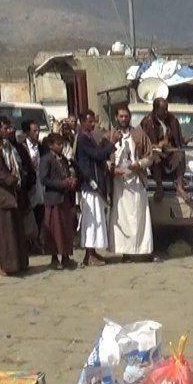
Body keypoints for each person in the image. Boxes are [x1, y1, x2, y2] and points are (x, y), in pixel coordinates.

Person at [107, 105, 154, 260]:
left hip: (136, 180)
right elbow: (104, 157)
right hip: (119, 183)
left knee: (139, 215)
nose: (124, 119)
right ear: (116, 117)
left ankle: (142, 250)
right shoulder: (109, 135)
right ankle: (125, 251)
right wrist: (113, 169)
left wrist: (139, 164)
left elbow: (150, 157)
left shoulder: (139, 134)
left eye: (126, 116)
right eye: (121, 116)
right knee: (122, 217)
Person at [0, 133, 27, 276]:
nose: (0, 147)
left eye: (1, 145)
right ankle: (8, 267)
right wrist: (13, 179)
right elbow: (3, 178)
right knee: (5, 236)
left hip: (8, 199)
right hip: (1, 200)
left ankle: (18, 264)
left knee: (14, 233)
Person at [74, 109, 113, 266]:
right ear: (83, 122)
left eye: (93, 121)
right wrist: (112, 143)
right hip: (89, 184)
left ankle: (92, 253)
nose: (92, 124)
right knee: (91, 220)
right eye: (89, 121)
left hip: (95, 183)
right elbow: (97, 155)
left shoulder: (90, 137)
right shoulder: (82, 139)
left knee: (97, 219)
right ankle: (89, 255)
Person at [39, 133, 78, 269]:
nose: (61, 146)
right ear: (50, 145)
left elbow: (68, 174)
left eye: (62, 144)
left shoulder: (64, 160)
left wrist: (71, 181)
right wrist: (62, 184)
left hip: (65, 198)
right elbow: (44, 179)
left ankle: (66, 257)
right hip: (54, 199)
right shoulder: (46, 159)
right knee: (54, 229)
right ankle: (54, 258)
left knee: (65, 228)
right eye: (58, 144)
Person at [141, 98, 188, 204]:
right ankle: (159, 188)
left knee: (180, 153)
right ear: (155, 109)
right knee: (155, 157)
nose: (166, 112)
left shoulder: (172, 119)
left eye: (166, 109)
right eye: (163, 110)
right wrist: (159, 145)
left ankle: (180, 187)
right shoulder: (147, 122)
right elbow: (143, 143)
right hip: (155, 152)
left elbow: (178, 139)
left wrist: (184, 140)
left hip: (169, 152)